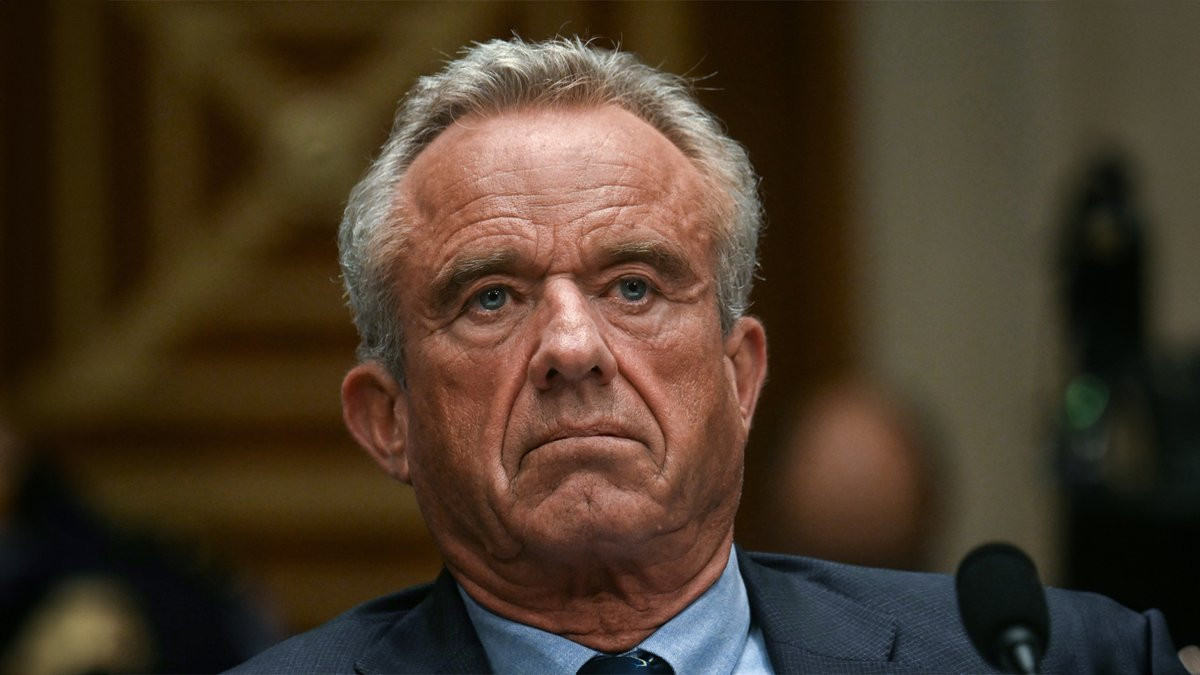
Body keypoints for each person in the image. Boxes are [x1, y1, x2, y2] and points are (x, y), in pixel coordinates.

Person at [231, 37, 1190, 674]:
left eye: (633, 287)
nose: (572, 347)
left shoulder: (1054, 661)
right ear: (388, 419)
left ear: (740, 377)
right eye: (492, 298)